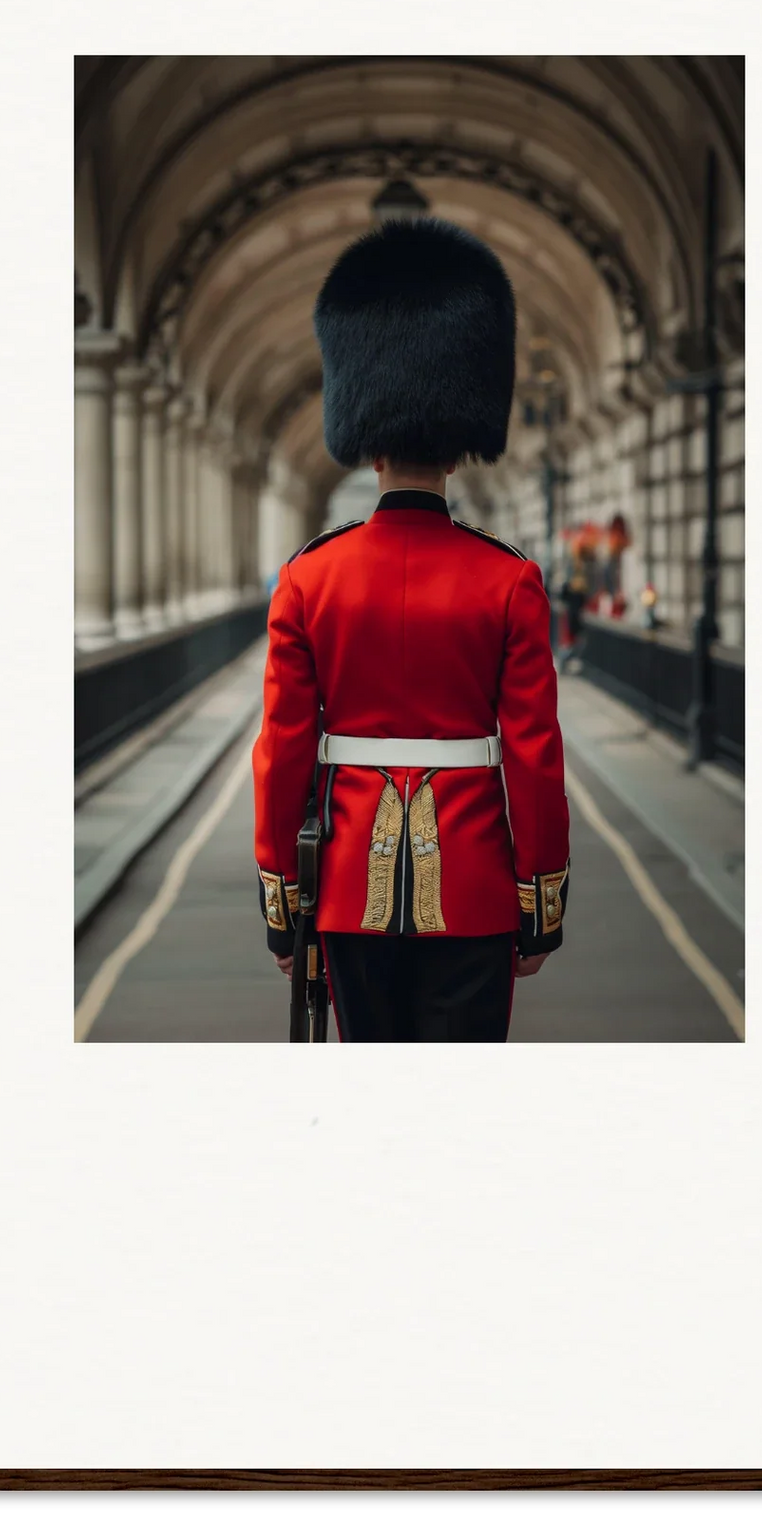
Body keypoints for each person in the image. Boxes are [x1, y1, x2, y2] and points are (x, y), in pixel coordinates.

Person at [252, 215, 570, 1041]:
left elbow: (282, 752)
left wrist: (285, 900)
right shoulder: (510, 579)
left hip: (347, 891)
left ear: (364, 446)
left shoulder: (308, 577)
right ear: (463, 446)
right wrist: (539, 900)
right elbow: (534, 757)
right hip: (473, 890)